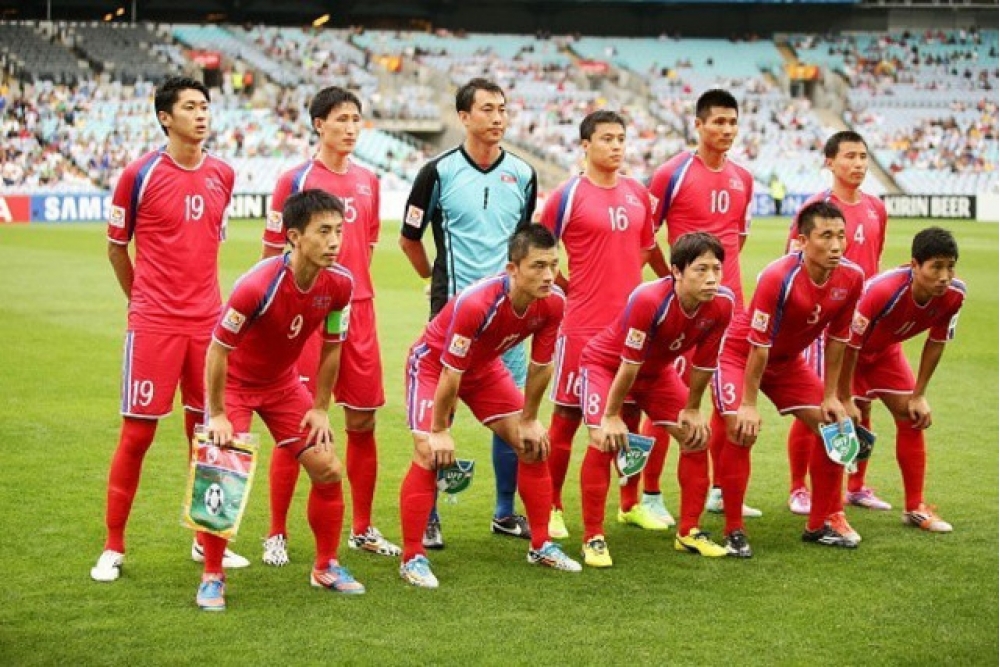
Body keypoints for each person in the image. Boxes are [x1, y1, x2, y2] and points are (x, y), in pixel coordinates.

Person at [91, 76, 248, 582]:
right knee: (137, 434)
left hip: (209, 326)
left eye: (205, 106)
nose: (201, 114)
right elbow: (117, 247)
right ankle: (114, 547)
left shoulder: (223, 173)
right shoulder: (138, 175)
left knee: (209, 437)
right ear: (165, 117)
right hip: (155, 324)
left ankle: (206, 543)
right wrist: (141, 300)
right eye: (190, 107)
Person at [195, 189, 365, 611]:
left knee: (327, 467)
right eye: (323, 231)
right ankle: (212, 575)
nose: (333, 241)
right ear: (293, 236)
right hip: (234, 385)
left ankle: (325, 565)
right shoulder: (257, 285)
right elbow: (217, 350)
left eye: (338, 231)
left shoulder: (340, 285)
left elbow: (331, 347)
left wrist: (321, 406)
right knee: (222, 473)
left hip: (283, 386)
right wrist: (217, 413)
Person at [397, 224, 581, 588]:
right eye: (538, 266)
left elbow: (541, 366)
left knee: (533, 445)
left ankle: (541, 545)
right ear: (512, 269)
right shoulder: (477, 301)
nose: (549, 276)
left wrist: (529, 419)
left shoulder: (554, 302)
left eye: (553, 265)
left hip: (483, 368)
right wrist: (439, 430)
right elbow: (451, 370)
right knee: (427, 452)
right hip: (435, 364)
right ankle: (412, 556)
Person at [259, 86, 398, 566]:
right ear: (319, 124)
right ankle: (275, 532)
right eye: (341, 119)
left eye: (357, 119)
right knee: (296, 422)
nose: (351, 127)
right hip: (303, 316)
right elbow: (270, 257)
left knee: (363, 420)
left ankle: (362, 528)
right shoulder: (292, 179)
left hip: (357, 310)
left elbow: (370, 245)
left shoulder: (368, 180)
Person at [399, 78, 538, 549]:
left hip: (509, 321)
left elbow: (525, 245)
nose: (497, 117)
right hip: (453, 319)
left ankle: (504, 511)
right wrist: (430, 284)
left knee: (512, 414)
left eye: (502, 109)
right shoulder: (436, 173)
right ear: (464, 116)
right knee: (441, 418)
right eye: (487, 109)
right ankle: (431, 515)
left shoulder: (522, 173)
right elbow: (409, 239)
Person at [540, 109, 665, 541]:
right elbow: (538, 249)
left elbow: (649, 250)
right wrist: (564, 287)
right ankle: (552, 507)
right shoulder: (567, 195)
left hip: (630, 328)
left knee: (629, 416)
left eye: (621, 138)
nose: (615, 146)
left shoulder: (636, 193)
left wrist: (668, 287)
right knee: (567, 418)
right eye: (607, 138)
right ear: (585, 146)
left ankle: (629, 505)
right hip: (582, 327)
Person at [714, 201, 865, 558]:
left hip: (786, 361)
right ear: (801, 241)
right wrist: (748, 405)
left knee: (833, 427)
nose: (835, 245)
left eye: (840, 236)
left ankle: (820, 524)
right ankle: (734, 529)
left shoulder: (852, 277)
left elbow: (838, 340)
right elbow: (758, 347)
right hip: (740, 353)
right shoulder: (777, 276)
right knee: (740, 430)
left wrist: (833, 397)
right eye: (825, 236)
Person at [577, 233, 734, 567]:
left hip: (655, 374)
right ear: (676, 271)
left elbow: (705, 362)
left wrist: (693, 409)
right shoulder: (649, 299)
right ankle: (593, 537)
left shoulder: (722, 304)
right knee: (603, 439)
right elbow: (629, 363)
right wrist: (611, 414)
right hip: (607, 366)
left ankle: (689, 531)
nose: (711, 278)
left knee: (696, 437)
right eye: (701, 269)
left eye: (716, 269)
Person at [646, 88, 759, 521]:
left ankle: (718, 490)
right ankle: (649, 495)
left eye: (732, 123)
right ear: (698, 124)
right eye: (718, 122)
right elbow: (646, 235)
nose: (727, 130)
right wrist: (671, 281)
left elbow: (738, 238)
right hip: (682, 312)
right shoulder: (671, 173)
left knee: (724, 400)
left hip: (729, 310)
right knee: (668, 401)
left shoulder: (743, 178)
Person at [784, 131, 889, 518]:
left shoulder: (877, 207)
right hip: (822, 322)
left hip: (863, 324)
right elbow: (791, 263)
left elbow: (873, 264)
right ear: (830, 162)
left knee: (860, 401)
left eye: (863, 156)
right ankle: (799, 488)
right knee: (815, 403)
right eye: (849, 156)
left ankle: (857, 485)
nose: (858, 164)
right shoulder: (816, 207)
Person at [841, 227, 965, 533]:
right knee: (843, 420)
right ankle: (818, 500)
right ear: (914, 265)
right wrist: (843, 395)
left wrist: (919, 393)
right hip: (847, 352)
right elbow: (848, 343)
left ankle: (914, 508)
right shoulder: (882, 291)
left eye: (950, 266)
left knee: (912, 416)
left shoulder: (954, 295)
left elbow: (936, 342)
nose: (944, 276)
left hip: (885, 353)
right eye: (936, 266)